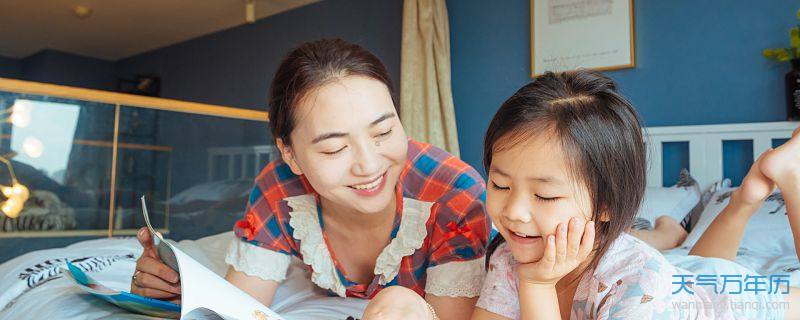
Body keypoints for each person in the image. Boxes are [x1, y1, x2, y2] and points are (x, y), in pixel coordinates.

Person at [365, 70, 800, 319]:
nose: (513, 212)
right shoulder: (509, 256)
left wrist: (537, 287)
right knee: (700, 266)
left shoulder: (638, 281)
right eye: (500, 185)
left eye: (546, 196)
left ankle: (790, 178)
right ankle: (744, 201)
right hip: (691, 278)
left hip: (735, 302)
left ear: (608, 202)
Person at [130, 38, 490, 320]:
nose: (368, 165)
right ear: (290, 154)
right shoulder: (280, 188)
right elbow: (241, 307)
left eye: (383, 132)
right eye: (334, 149)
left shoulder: (453, 194)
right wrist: (179, 291)